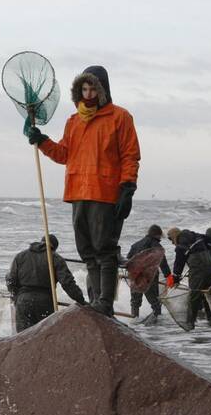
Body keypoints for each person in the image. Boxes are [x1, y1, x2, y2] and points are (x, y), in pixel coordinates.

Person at [27, 65, 140, 316]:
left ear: (103, 90)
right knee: (87, 252)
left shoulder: (120, 117)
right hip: (78, 191)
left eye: (93, 89)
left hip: (106, 193)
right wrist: (42, 141)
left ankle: (105, 303)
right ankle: (96, 299)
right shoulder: (73, 121)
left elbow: (130, 155)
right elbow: (64, 154)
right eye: (84, 89)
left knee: (105, 250)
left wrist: (128, 187)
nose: (88, 94)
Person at [5, 234, 88, 332]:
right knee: (44, 337)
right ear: (54, 247)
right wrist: (81, 300)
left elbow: (10, 280)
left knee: (23, 339)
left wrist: (16, 297)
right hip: (44, 302)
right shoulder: (55, 258)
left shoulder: (20, 256)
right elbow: (67, 283)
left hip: (23, 302)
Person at [167, 227, 211, 329]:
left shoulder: (181, 246)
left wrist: (176, 278)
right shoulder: (196, 236)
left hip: (197, 270)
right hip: (210, 267)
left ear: (175, 235)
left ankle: (190, 322)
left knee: (194, 295)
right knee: (207, 292)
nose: (172, 243)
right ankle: (210, 317)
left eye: (170, 239)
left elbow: (179, 264)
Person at [125, 224, 170, 320]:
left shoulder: (135, 245)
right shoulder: (156, 245)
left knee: (135, 302)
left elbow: (128, 260)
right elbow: (162, 261)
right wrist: (168, 275)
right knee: (155, 302)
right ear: (157, 235)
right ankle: (159, 322)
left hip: (135, 276)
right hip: (149, 277)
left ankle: (134, 321)